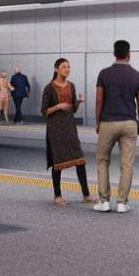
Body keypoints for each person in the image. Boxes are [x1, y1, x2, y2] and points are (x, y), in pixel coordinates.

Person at [93, 39, 139, 213]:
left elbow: (99, 100)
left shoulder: (104, 74)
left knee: (102, 161)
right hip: (129, 123)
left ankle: (104, 201)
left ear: (114, 54)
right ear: (129, 54)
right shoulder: (137, 76)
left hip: (108, 122)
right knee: (127, 164)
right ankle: (122, 203)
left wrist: (97, 122)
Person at [42, 58, 89, 206]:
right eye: (64, 67)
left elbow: (73, 109)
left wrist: (79, 102)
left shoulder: (71, 86)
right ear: (56, 69)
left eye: (68, 67)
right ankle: (57, 195)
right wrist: (58, 106)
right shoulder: (49, 88)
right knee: (58, 162)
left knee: (80, 160)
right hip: (55, 129)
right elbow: (44, 111)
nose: (67, 69)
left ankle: (86, 194)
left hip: (69, 127)